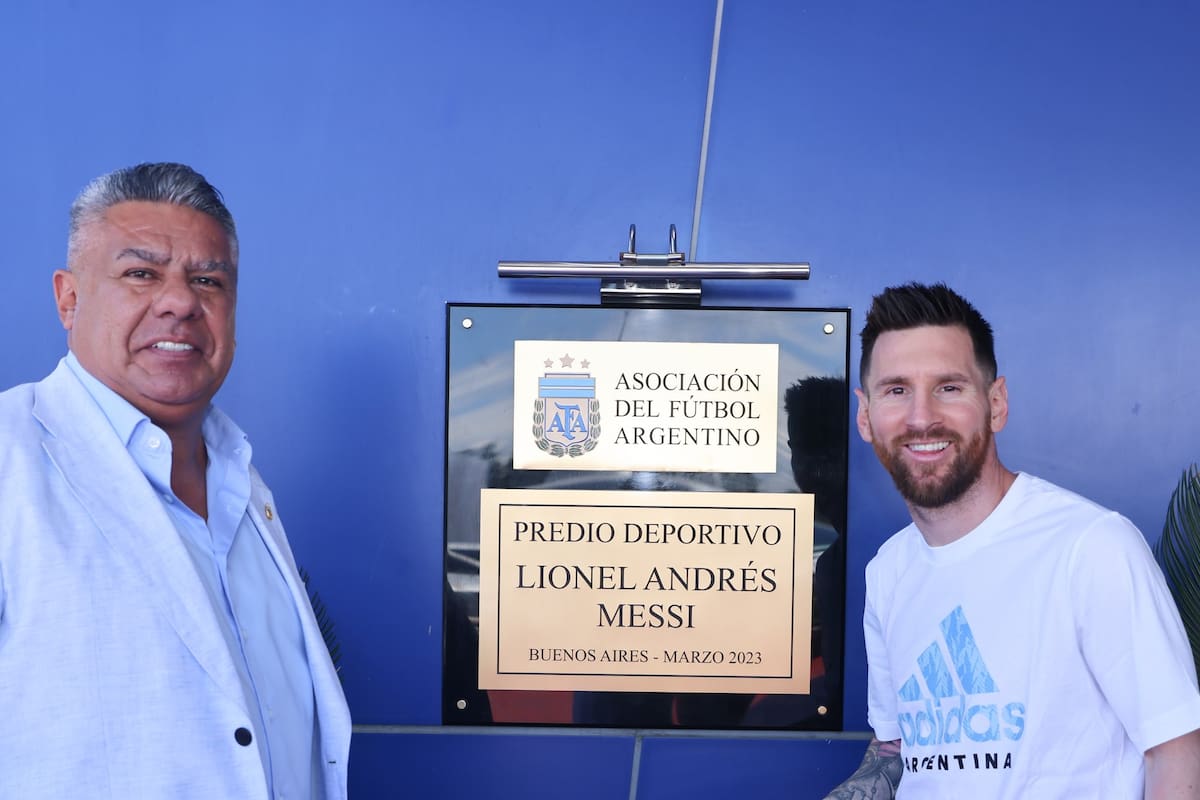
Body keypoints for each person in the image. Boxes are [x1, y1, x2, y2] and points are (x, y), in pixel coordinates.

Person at [0, 163, 350, 798]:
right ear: (68, 298)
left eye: (207, 280)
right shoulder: (9, 463)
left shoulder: (241, 482)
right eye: (141, 273)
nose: (181, 301)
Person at [824, 282, 1200, 798]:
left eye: (949, 387)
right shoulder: (888, 570)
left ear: (996, 403)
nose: (920, 416)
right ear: (865, 416)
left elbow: (1176, 749)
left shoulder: (1091, 548)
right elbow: (893, 750)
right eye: (896, 390)